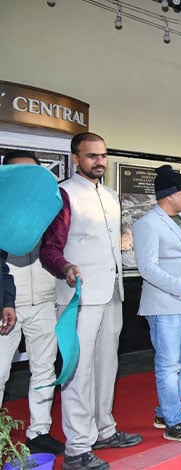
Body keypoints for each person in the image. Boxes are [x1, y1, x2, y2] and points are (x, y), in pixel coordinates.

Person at [40, 132, 142, 470]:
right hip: (79, 295)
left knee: (107, 366)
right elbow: (50, 247)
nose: (99, 161)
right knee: (79, 372)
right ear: (75, 158)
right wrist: (65, 266)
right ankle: (77, 449)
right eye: (91, 156)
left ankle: (104, 430)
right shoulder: (64, 194)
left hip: (113, 292)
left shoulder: (112, 196)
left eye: (102, 155)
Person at [132, 165, 181, 444]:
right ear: (170, 194)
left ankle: (165, 412)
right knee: (168, 364)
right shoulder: (146, 224)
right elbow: (147, 268)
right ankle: (175, 422)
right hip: (164, 306)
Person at [0, 151, 64, 456]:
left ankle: (39, 432)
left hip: (44, 301)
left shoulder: (48, 208)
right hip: (6, 305)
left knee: (44, 370)